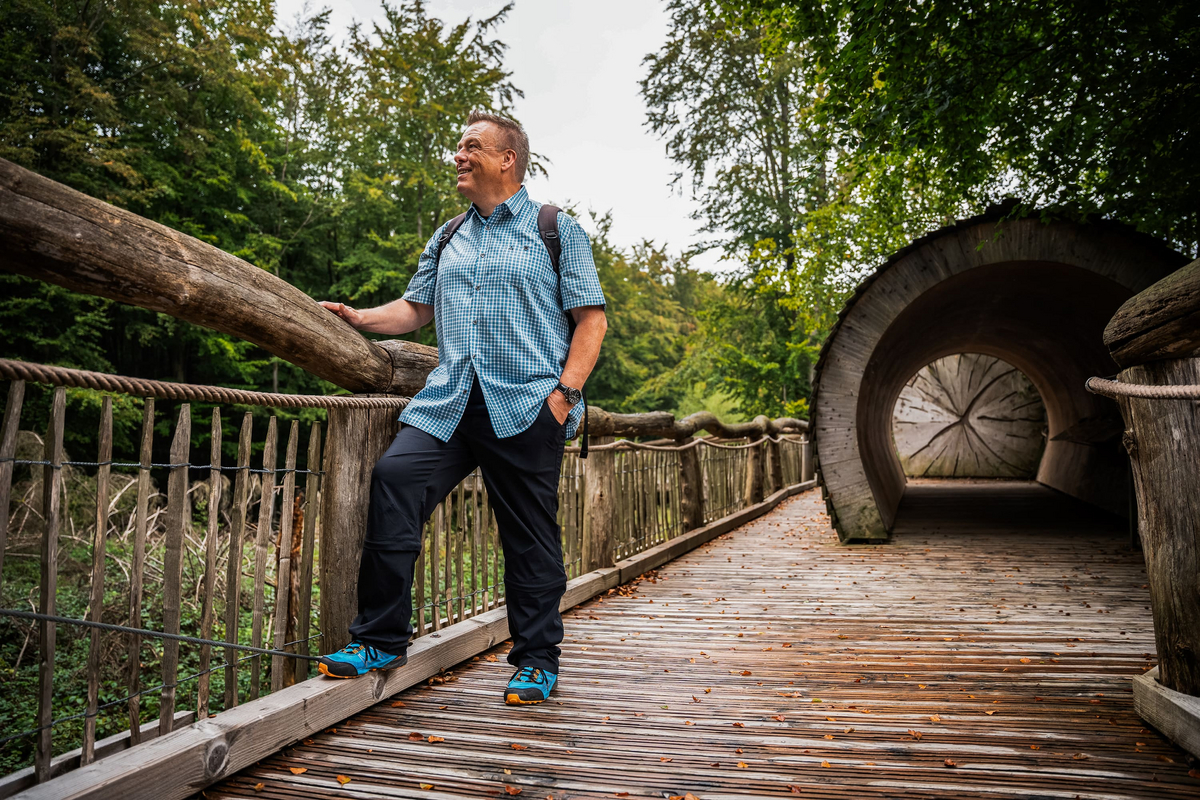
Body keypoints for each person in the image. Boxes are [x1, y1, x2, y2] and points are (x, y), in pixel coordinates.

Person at [315, 111, 607, 705]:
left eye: (472, 146)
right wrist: (358, 318)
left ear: (508, 159)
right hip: (449, 401)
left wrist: (564, 397)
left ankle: (535, 660)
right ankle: (380, 639)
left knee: (528, 535)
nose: (459, 155)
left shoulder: (556, 229)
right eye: (458, 146)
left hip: (527, 406)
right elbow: (416, 308)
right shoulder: (449, 234)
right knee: (395, 478)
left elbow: (591, 321)